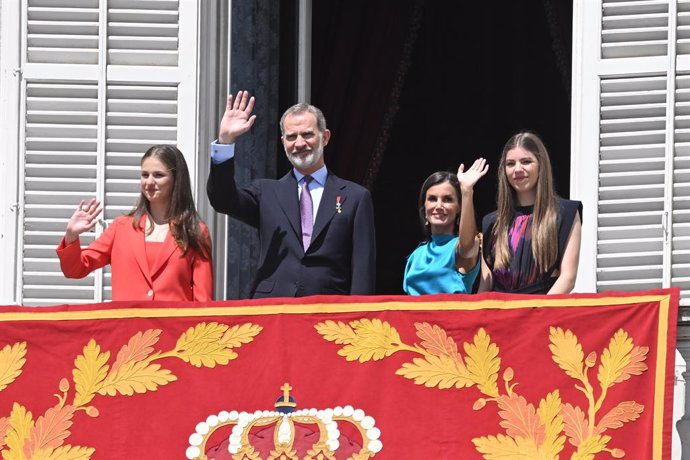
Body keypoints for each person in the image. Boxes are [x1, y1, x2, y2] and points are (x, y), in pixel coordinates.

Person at [206, 90, 376, 299]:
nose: (299, 143)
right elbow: (222, 200)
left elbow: (362, 267)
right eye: (291, 137)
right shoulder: (266, 192)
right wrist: (225, 142)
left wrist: (358, 317)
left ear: (325, 137)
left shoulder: (355, 197)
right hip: (273, 309)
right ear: (283, 141)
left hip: (330, 312)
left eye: (307, 134)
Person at [56, 144, 213, 301]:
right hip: (127, 324)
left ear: (176, 179)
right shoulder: (121, 228)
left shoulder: (195, 231)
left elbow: (203, 301)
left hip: (172, 325)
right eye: (145, 175)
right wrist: (71, 235)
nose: (149, 182)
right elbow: (75, 270)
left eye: (158, 175)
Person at [479, 131, 582, 294]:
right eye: (510, 164)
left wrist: (536, 315)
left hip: (543, 312)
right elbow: (486, 283)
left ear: (541, 164)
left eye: (526, 162)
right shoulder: (491, 221)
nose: (517, 169)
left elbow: (568, 278)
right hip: (500, 314)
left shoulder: (566, 213)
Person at [403, 159, 489, 295]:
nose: (439, 206)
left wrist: (466, 190)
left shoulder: (460, 248)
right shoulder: (416, 254)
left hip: (450, 316)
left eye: (447, 199)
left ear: (459, 209)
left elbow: (467, 247)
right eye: (432, 199)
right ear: (424, 208)